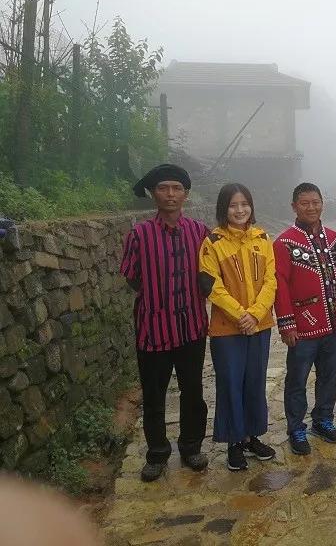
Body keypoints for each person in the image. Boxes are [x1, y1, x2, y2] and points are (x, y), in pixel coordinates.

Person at [120, 164, 209, 482]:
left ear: (186, 194)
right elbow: (132, 277)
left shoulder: (200, 232)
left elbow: (210, 273)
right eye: (163, 188)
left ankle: (191, 447)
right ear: (153, 193)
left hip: (192, 327)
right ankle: (157, 453)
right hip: (153, 329)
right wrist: (158, 300)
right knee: (154, 396)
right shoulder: (139, 235)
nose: (170, 194)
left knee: (193, 391)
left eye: (176, 188)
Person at [199, 183, 277, 471]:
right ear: (224, 209)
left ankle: (252, 436)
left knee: (255, 381)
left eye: (244, 204)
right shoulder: (213, 243)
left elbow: (271, 280)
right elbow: (211, 285)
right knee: (231, 383)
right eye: (233, 205)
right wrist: (241, 315)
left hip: (259, 326)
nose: (240, 210)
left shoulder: (263, 238)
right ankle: (234, 442)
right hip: (227, 329)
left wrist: (255, 315)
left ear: (251, 206)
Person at [274, 183, 336, 456]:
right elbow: (280, 285)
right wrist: (286, 323)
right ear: (294, 206)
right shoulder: (284, 243)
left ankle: (323, 420)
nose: (311, 207)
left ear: (322, 204)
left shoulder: (335, 239)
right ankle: (296, 428)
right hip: (302, 328)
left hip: (332, 325)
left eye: (315, 202)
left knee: (329, 375)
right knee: (297, 380)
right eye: (305, 203)